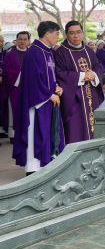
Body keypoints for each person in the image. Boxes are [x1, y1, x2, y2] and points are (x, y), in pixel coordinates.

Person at [12, 21, 64, 175]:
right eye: (56, 34)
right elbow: (32, 81)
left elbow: (49, 76)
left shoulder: (48, 51)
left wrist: (57, 87)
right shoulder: (34, 52)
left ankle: (45, 166)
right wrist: (49, 95)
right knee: (35, 135)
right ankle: (33, 169)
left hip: (48, 100)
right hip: (37, 103)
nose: (58, 37)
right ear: (47, 34)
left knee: (47, 134)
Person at [54, 21, 103, 144]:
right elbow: (59, 73)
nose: (76, 36)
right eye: (72, 33)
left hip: (91, 96)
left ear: (82, 33)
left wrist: (93, 74)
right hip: (74, 100)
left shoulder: (89, 50)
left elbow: (98, 66)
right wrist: (82, 76)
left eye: (78, 32)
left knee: (93, 129)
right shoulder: (61, 52)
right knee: (75, 130)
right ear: (66, 35)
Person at [4, 31, 30, 141]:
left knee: (28, 111)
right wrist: (21, 75)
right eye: (20, 39)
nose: (22, 41)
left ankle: (28, 133)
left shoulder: (32, 53)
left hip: (29, 88)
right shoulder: (10, 54)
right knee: (14, 111)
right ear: (16, 40)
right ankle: (13, 135)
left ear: (28, 41)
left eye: (25, 39)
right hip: (15, 87)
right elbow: (6, 71)